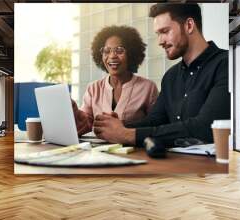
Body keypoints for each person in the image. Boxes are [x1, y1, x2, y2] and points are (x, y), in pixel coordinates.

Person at [93, 3, 230, 147]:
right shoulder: (170, 77)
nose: (160, 41)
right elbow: (155, 120)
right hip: (174, 162)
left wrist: (127, 135)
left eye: (165, 31)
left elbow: (206, 127)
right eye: (158, 34)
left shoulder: (225, 64)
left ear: (189, 25)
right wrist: (120, 126)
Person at [73, 25, 159, 136]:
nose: (112, 56)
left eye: (119, 50)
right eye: (106, 51)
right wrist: (74, 112)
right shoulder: (93, 88)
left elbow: (156, 125)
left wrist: (124, 127)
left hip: (133, 151)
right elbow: (85, 123)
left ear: (131, 54)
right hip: (98, 152)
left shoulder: (148, 87)